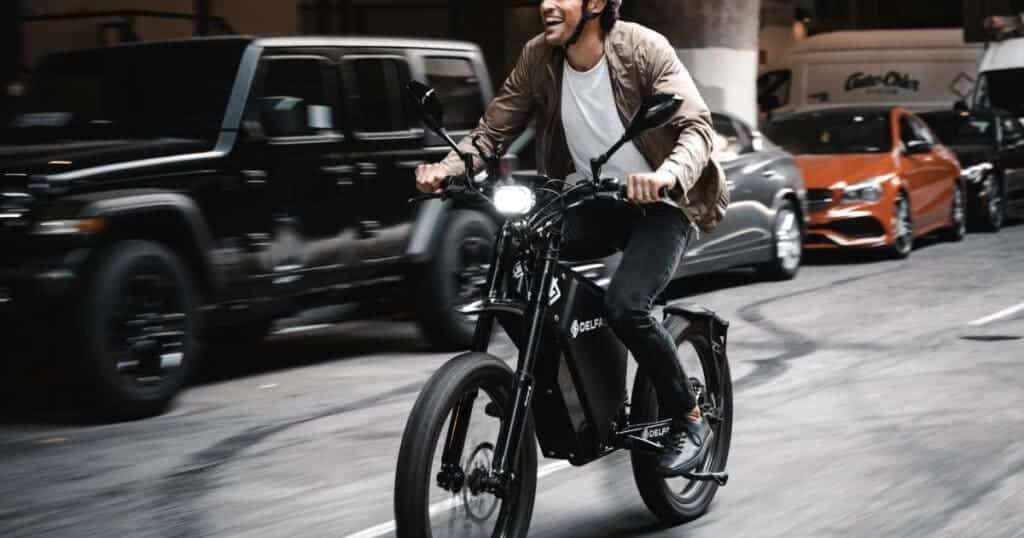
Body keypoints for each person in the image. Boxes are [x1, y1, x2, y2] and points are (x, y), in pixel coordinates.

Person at [415, 0, 729, 477]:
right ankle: (544, 383)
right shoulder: (539, 56)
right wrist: (448, 168)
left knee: (626, 306)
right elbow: (490, 134)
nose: (546, 4)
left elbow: (698, 129)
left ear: (596, 4)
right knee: (518, 250)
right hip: (594, 198)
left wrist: (666, 174)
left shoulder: (643, 49)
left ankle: (689, 420)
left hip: (662, 204)